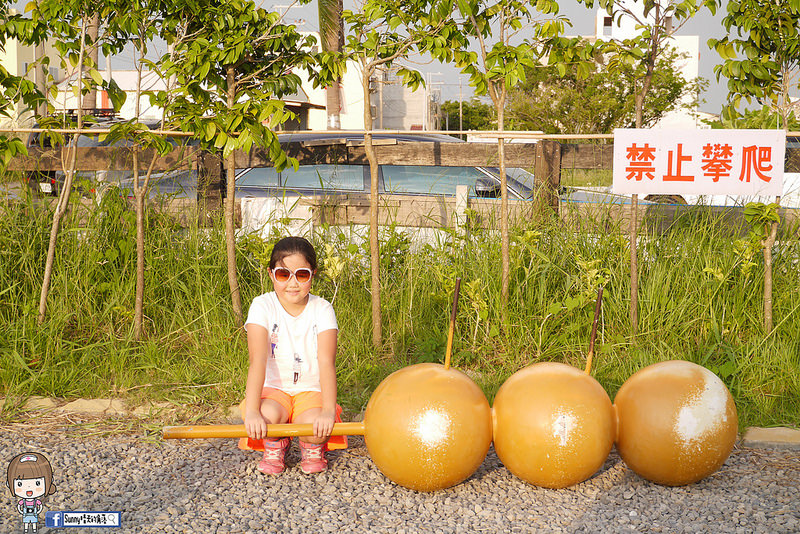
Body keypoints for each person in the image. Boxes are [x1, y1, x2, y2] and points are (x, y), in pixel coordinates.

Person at [240, 236, 346, 475]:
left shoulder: (323, 309)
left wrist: (328, 411)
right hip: (273, 391)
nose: (292, 283)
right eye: (283, 274)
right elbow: (257, 360)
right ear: (271, 274)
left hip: (310, 391)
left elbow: (326, 362)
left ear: (313, 275)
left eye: (301, 274)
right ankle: (276, 444)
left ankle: (311, 445)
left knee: (314, 426)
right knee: (265, 417)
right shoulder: (262, 305)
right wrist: (253, 412)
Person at [6, 452, 57, 534]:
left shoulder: (36, 501)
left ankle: (33, 529)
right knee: (26, 522)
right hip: (26, 513)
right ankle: (26, 529)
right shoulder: (24, 501)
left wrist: (37, 511)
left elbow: (39, 505)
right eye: (20, 484)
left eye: (37, 483)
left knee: (33, 522)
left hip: (33, 513)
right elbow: (20, 505)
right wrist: (22, 511)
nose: (29, 489)